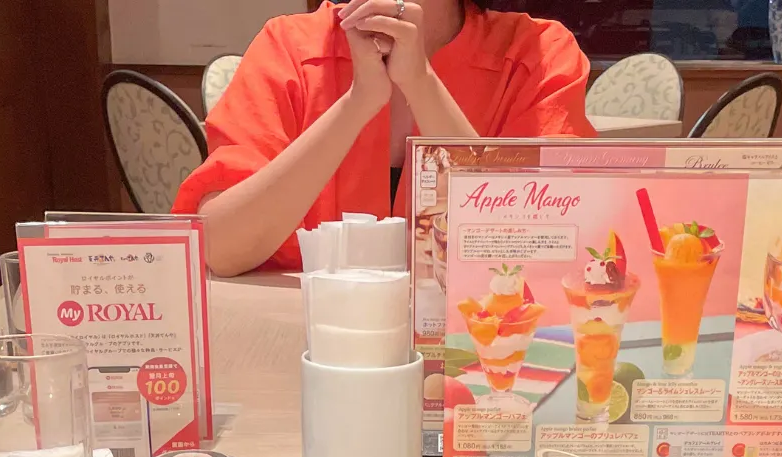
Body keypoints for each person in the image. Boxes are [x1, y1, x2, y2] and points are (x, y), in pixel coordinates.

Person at [175, 0, 594, 276]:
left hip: (476, 349)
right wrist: (359, 101)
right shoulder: (288, 46)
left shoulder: (540, 53)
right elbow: (222, 249)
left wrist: (421, 83)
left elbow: (540, 254)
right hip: (304, 339)